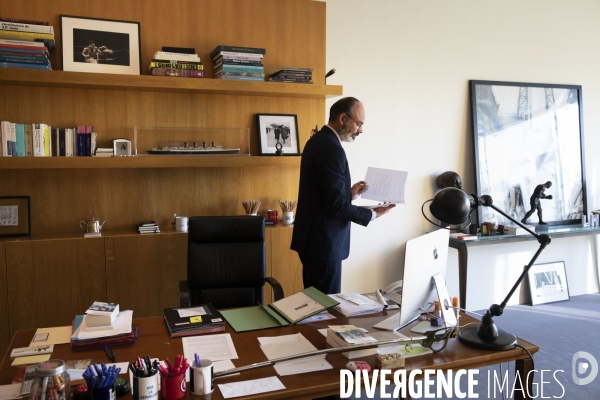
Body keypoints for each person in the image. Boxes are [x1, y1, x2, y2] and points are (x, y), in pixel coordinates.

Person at [290, 97, 395, 294]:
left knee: (316, 304)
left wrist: (349, 194)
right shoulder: (331, 148)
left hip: (314, 241)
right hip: (324, 244)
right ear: (342, 118)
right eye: (359, 124)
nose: (360, 130)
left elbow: (323, 195)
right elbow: (336, 207)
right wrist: (374, 214)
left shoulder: (317, 140)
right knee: (325, 308)